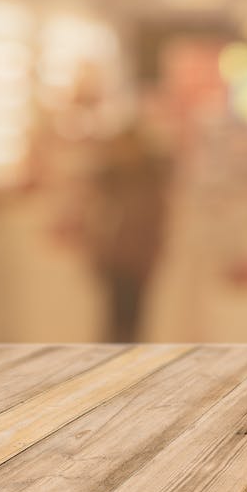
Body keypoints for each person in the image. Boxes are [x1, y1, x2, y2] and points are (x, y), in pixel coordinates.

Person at [84, 121, 172, 342]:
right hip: (116, 261)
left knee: (133, 322)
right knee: (114, 321)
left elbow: (155, 226)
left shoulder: (149, 184)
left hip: (136, 263)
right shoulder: (111, 181)